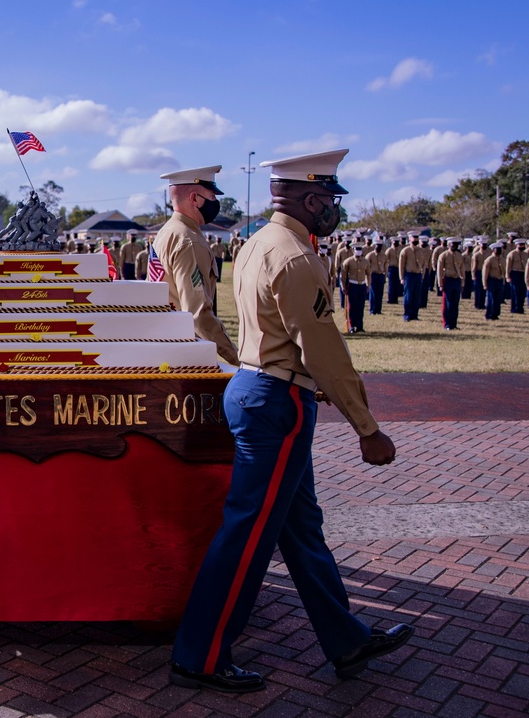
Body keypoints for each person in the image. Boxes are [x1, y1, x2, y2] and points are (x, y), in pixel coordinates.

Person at [170, 149, 411, 694]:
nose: (333, 209)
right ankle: (199, 656)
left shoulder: (259, 241)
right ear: (308, 198)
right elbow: (322, 345)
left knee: (302, 532)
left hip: (261, 389)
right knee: (247, 534)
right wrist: (366, 426)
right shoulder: (298, 256)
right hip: (276, 401)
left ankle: (346, 639)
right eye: (329, 199)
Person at [150, 166, 239, 367]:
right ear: (195, 199)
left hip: (164, 345)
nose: (215, 203)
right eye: (212, 196)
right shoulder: (189, 241)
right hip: (186, 355)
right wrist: (237, 358)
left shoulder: (167, 232)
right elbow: (197, 315)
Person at [341, 242, 370, 333]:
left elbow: (368, 274)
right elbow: (343, 276)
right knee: (352, 306)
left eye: (360, 249)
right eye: (356, 249)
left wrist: (368, 285)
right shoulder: (348, 261)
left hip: (362, 285)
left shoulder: (366, 261)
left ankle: (360, 326)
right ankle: (352, 326)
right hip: (352, 285)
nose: (358, 251)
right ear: (353, 250)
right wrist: (343, 287)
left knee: (360, 306)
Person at [437, 237, 465, 330]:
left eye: (456, 245)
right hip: (448, 280)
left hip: (456, 280)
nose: (454, 247)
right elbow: (440, 270)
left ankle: (454, 324)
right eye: (452, 245)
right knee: (447, 303)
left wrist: (462, 282)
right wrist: (440, 284)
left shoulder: (459, 255)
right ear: (449, 245)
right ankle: (447, 324)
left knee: (455, 304)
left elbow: (462, 269)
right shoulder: (444, 255)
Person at [399, 232, 425, 322]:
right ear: (409, 240)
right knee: (408, 296)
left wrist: (422, 275)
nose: (415, 241)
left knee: (416, 296)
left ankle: (414, 315)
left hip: (417, 275)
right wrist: (401, 277)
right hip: (409, 275)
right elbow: (401, 265)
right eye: (413, 239)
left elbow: (423, 264)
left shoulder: (420, 251)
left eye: (417, 239)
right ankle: (407, 315)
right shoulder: (405, 251)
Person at [483, 242, 506, 320]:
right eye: (498, 249)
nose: (499, 251)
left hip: (499, 280)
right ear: (493, 250)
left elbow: (504, 271)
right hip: (492, 280)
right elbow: (485, 273)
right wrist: (485, 284)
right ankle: (489, 314)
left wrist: (503, 281)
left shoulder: (502, 260)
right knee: (491, 298)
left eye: (500, 249)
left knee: (498, 299)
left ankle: (496, 314)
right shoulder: (489, 260)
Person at [366, 238, 388, 315]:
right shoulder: (370, 255)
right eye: (377, 246)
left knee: (380, 293)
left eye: (380, 246)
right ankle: (372, 310)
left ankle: (378, 310)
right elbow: (367, 268)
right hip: (373, 275)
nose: (378, 247)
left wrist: (385, 277)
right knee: (373, 293)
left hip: (380, 275)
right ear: (374, 246)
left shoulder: (384, 256)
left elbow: (386, 267)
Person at [506, 238, 526, 314]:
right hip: (515, 274)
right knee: (515, 292)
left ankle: (520, 308)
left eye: (522, 245)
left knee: (522, 292)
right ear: (516, 245)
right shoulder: (512, 254)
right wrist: (507, 276)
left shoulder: (525, 254)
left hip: (522, 274)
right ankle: (514, 308)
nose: (521, 246)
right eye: (520, 245)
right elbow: (508, 267)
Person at [385, 235, 402, 304]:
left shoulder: (400, 250)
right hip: (391, 268)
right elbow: (385, 260)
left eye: (397, 242)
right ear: (392, 242)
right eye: (395, 242)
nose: (396, 243)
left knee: (397, 284)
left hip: (398, 268)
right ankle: (390, 299)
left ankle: (395, 299)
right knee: (391, 284)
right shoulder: (389, 250)